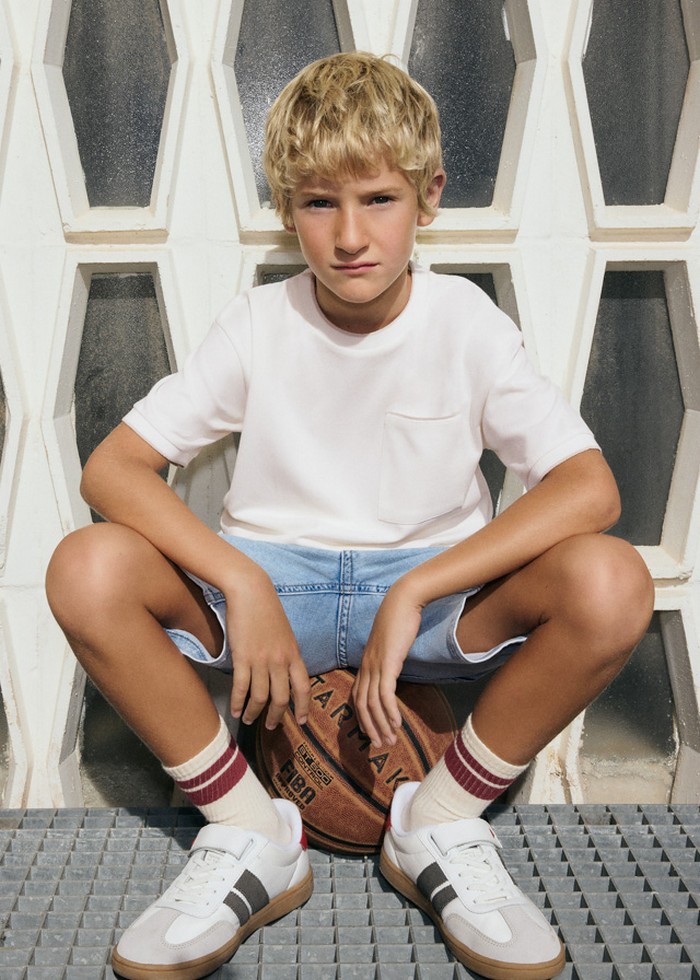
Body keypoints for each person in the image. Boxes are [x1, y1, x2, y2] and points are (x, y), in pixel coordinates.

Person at [45, 52, 654, 980]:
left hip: (433, 603)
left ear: (429, 196)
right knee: (85, 567)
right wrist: (242, 579)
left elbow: (590, 488)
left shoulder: (465, 323)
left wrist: (416, 587)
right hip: (275, 588)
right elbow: (112, 467)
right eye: (319, 204)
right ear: (288, 211)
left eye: (378, 199)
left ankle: (437, 824)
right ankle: (251, 832)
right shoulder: (260, 322)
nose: (350, 235)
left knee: (612, 582)